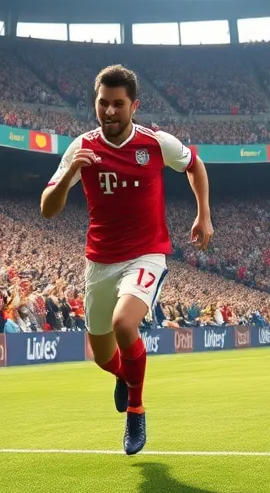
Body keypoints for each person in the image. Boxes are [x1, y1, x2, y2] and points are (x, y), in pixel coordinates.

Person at [40, 64, 213, 455]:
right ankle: (125, 375)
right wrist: (70, 171)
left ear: (134, 106)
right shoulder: (80, 147)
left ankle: (136, 409)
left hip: (146, 254)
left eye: (119, 104)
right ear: (96, 103)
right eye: (103, 103)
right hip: (99, 262)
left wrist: (204, 213)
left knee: (123, 323)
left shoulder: (155, 143)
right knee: (103, 358)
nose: (110, 112)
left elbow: (194, 165)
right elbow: (48, 209)